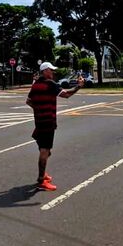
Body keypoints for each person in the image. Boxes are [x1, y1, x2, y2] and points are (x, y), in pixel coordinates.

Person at [25, 61, 83, 192]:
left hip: (39, 122)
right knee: (45, 151)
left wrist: (38, 110)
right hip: (48, 123)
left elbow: (28, 101)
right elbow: (66, 95)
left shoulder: (36, 85)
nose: (53, 72)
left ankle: (43, 174)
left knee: (44, 150)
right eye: (51, 70)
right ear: (45, 71)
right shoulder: (50, 84)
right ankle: (41, 180)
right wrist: (79, 86)